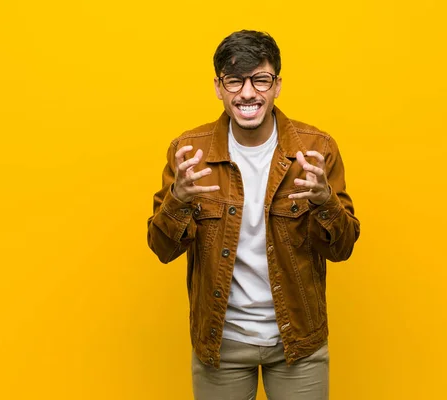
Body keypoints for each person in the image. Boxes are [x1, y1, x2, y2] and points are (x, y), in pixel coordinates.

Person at [147, 30, 360, 400]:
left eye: (260, 79)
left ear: (277, 85)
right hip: (220, 344)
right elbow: (161, 248)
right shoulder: (188, 153)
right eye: (234, 81)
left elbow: (343, 248)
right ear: (218, 87)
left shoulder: (316, 149)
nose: (248, 93)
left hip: (298, 342)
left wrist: (326, 201)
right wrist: (177, 200)